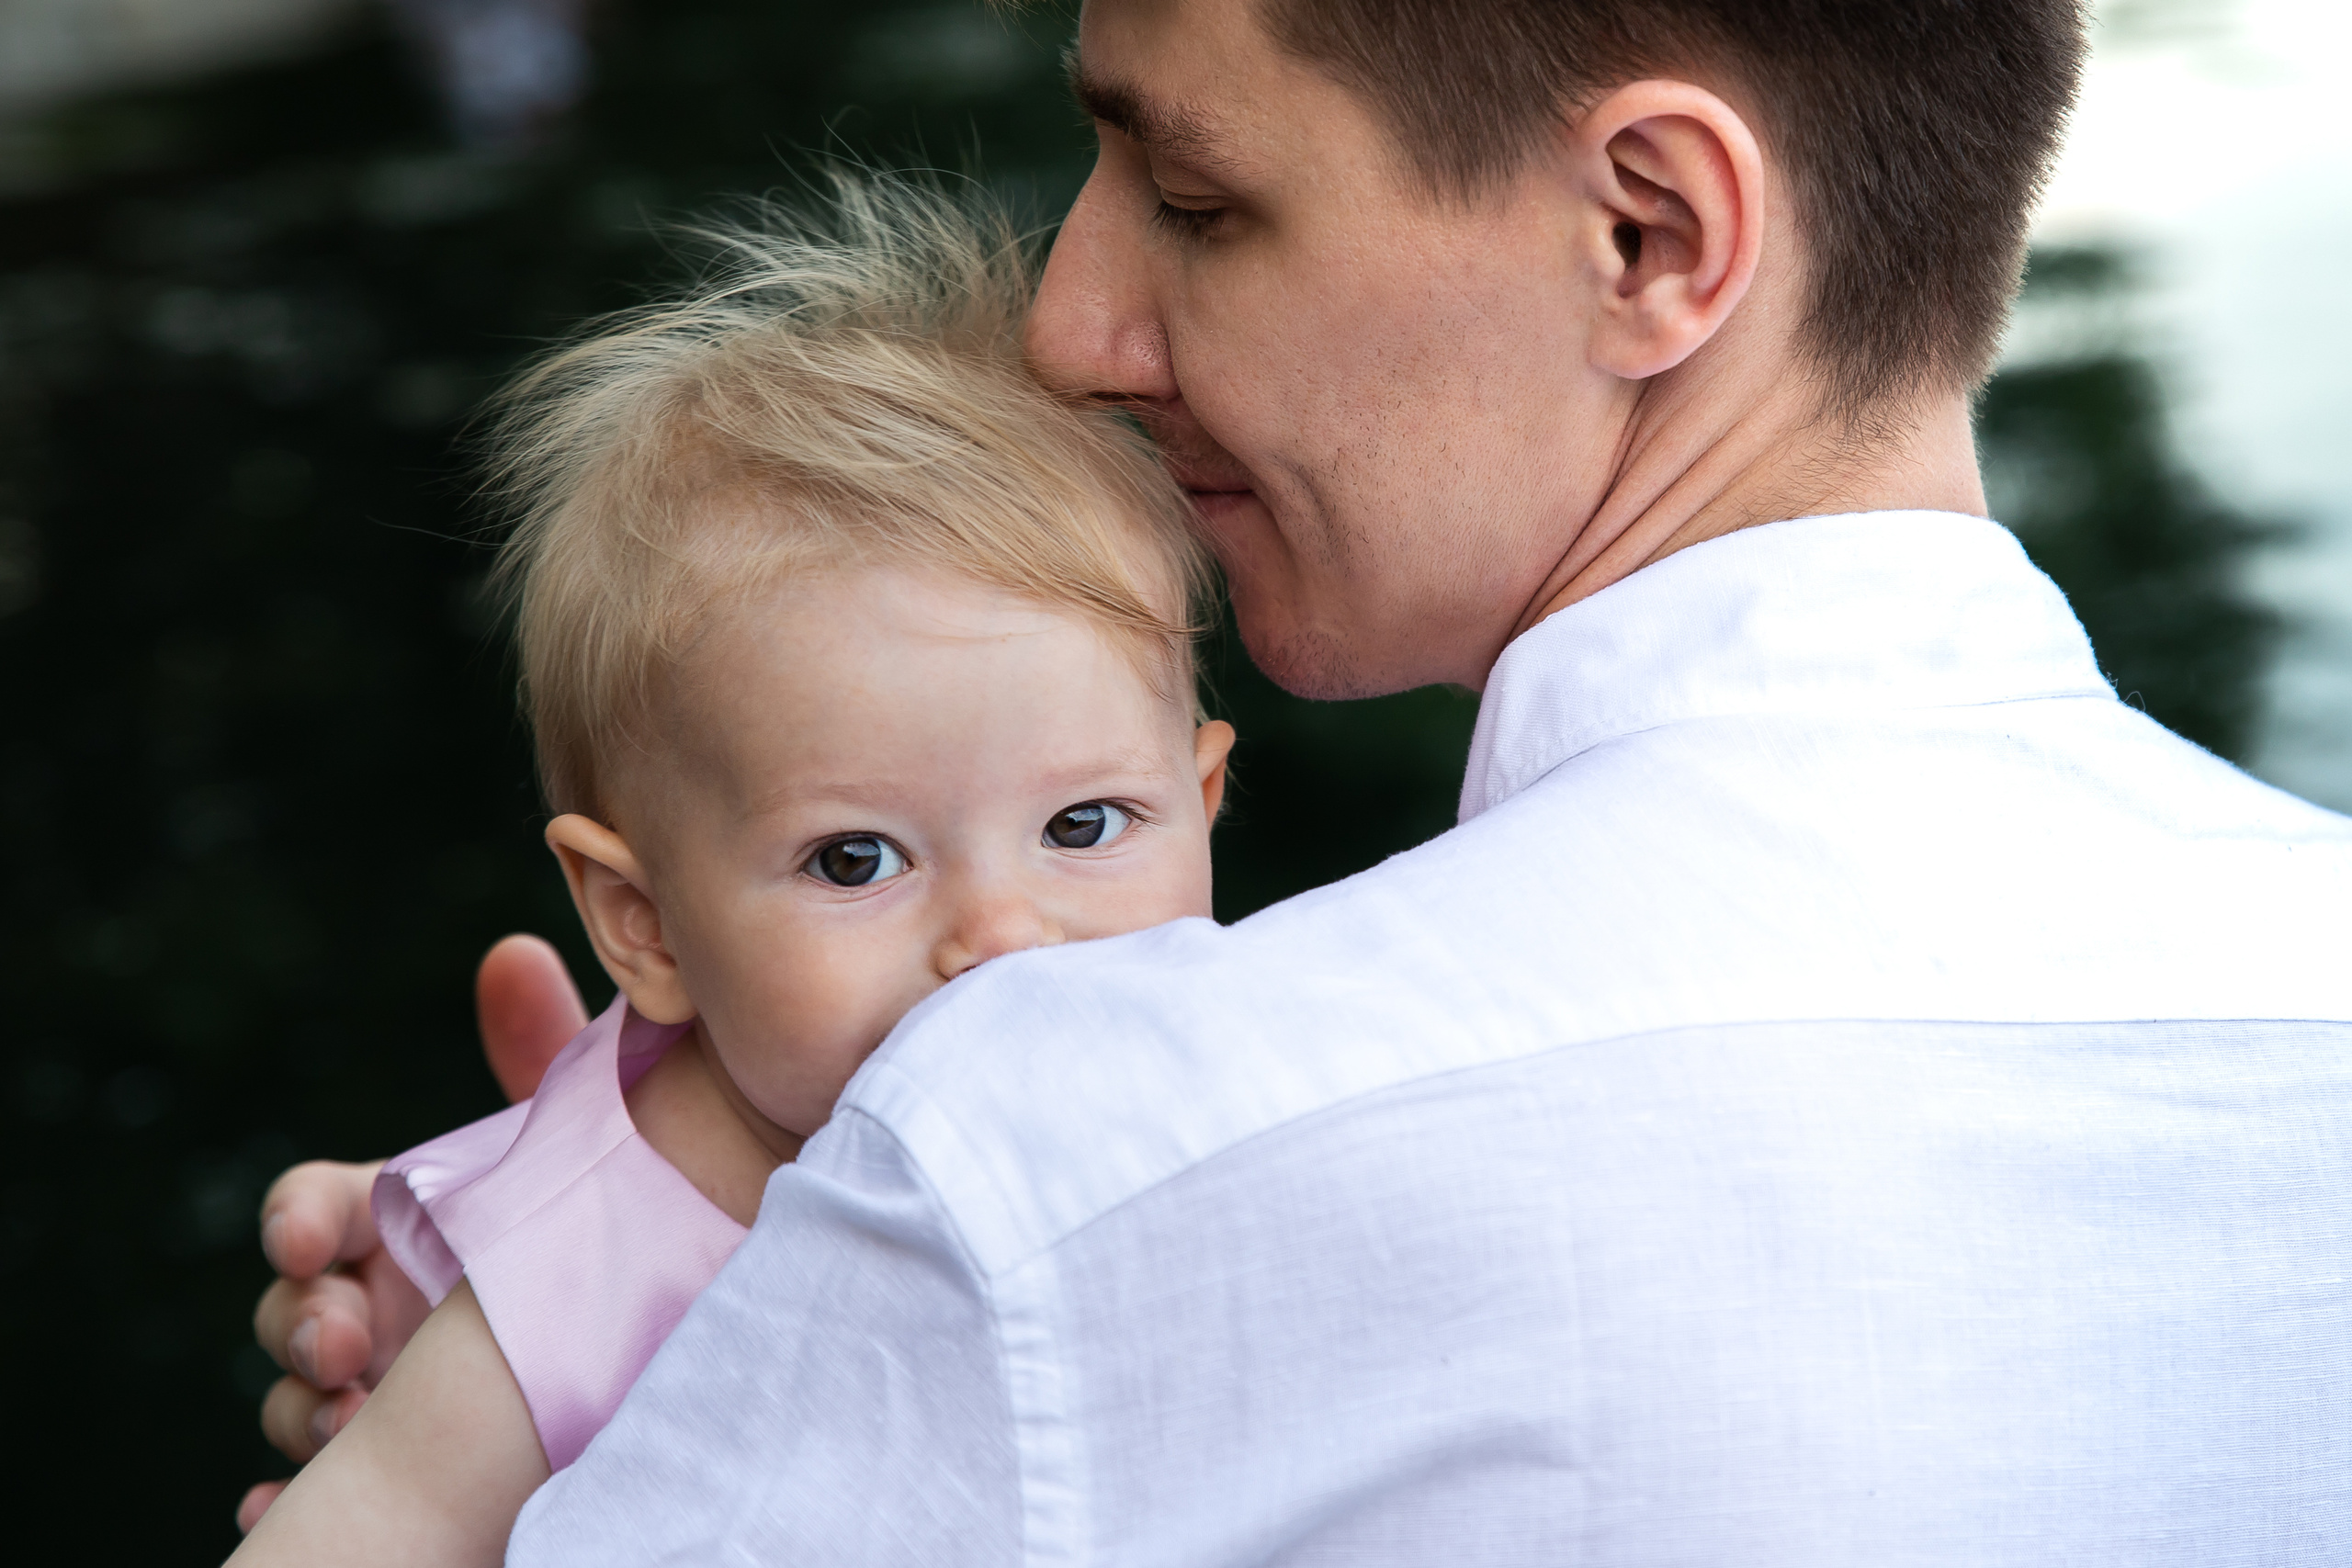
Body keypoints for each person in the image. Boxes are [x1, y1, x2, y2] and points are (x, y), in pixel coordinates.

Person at [253, 0, 2352, 1560]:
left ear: (1646, 235)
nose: (1070, 323)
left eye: (1193, 200)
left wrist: (554, 1410)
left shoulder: (1049, 1134)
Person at [232, 184, 1232, 1562]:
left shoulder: (1248, 1068)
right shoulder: (586, 1273)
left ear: (1206, 800)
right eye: (855, 858)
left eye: (1086, 827)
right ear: (642, 925)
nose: (1005, 935)